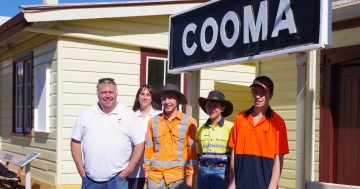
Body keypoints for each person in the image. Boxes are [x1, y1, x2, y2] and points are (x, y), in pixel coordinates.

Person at [71, 78, 145, 189]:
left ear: (116, 93)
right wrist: (81, 170)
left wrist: (129, 169)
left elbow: (140, 144)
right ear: (97, 94)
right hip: (90, 180)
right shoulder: (86, 114)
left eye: (110, 92)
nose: (107, 95)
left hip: (118, 180)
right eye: (103, 92)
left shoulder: (129, 115)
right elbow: (75, 142)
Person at [228, 76, 289, 189]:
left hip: (264, 185)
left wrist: (272, 186)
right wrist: (232, 182)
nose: (257, 96)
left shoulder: (278, 123)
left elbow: (278, 159)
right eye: (255, 92)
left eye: (263, 93)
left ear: (270, 96)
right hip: (240, 184)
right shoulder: (239, 118)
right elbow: (234, 152)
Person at [143, 83, 198, 189]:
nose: (167, 102)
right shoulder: (152, 121)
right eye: (164, 98)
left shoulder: (189, 122)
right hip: (155, 178)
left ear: (177, 100)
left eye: (171, 98)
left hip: (179, 178)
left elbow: (192, 154)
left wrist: (190, 179)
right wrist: (146, 177)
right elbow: (148, 151)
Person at [196, 90, 234, 189]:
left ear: (222, 108)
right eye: (209, 105)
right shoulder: (200, 129)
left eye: (215, 105)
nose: (211, 108)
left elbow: (235, 154)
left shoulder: (231, 128)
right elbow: (198, 153)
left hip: (222, 171)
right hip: (202, 171)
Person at [129, 84, 161, 189]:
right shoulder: (130, 116)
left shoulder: (159, 116)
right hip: (133, 171)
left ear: (152, 98)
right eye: (142, 94)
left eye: (148, 94)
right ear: (138, 97)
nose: (145, 97)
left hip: (153, 170)